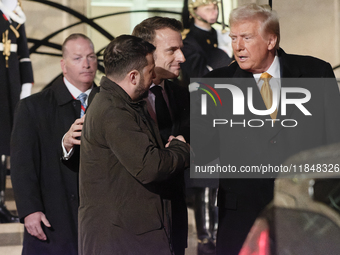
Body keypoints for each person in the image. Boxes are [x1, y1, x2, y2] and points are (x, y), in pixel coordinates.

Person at [192, 3, 340, 255]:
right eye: (234, 38)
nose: (237, 46)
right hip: (242, 219)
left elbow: (334, 145)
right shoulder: (214, 84)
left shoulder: (317, 72)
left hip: (306, 215)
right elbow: (203, 150)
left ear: (271, 40)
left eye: (246, 38)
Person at [78, 34, 191, 255]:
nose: (153, 77)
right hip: (122, 241)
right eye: (150, 71)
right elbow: (150, 167)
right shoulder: (114, 111)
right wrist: (181, 149)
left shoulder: (120, 104)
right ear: (133, 76)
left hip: (128, 236)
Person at [10, 33, 99, 255]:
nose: (86, 64)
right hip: (54, 215)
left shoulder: (111, 103)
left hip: (100, 217)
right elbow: (22, 165)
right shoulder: (34, 107)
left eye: (91, 56)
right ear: (64, 64)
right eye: (78, 58)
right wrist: (30, 210)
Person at [132, 17, 190, 255]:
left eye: (181, 50)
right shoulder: (120, 101)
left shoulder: (184, 95)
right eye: (172, 50)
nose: (182, 58)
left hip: (174, 223)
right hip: (135, 228)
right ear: (147, 53)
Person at [180, 1, 233, 253]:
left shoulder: (220, 36)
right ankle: (206, 237)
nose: (214, 9)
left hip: (228, 113)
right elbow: (200, 80)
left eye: (215, 4)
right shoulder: (190, 42)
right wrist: (224, 57)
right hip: (205, 115)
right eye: (207, 5)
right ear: (194, 10)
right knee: (208, 177)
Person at [0, 0, 33, 223]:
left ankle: (0, 202)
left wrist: (26, 86)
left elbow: (24, 56)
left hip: (10, 90)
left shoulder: (16, 18)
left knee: (4, 148)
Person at [180, 0, 232, 87]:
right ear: (193, 12)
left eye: (215, 8)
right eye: (208, 9)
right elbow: (199, 78)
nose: (214, 12)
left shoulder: (222, 35)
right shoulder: (188, 42)